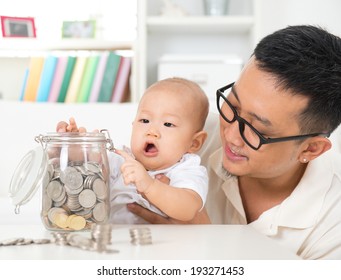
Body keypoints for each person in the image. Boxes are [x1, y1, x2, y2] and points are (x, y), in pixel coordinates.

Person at [127, 25, 341, 260]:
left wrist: (207, 243)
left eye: (256, 129)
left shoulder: (333, 225)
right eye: (233, 106)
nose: (230, 136)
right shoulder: (191, 135)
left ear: (311, 148)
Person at [57, 77, 210, 224]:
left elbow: (189, 209)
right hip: (116, 242)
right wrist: (74, 144)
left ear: (194, 143)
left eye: (168, 124)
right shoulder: (122, 160)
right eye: (144, 120)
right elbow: (88, 166)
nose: (152, 131)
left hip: (164, 246)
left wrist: (150, 186)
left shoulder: (186, 169)